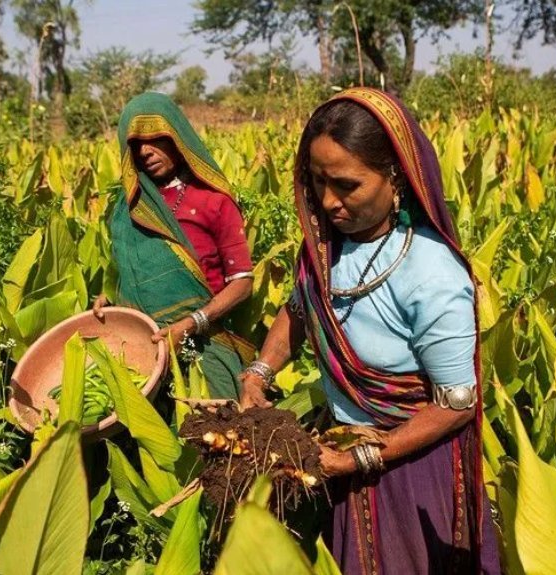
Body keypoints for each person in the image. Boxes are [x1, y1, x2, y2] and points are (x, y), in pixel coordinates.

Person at [239, 88, 501, 574]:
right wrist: (259, 371)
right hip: (346, 452)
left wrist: (361, 459)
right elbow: (298, 311)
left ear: (395, 176)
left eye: (347, 185)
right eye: (317, 181)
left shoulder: (432, 273)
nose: (328, 201)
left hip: (412, 467)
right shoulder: (324, 249)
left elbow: (455, 405)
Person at [94, 92, 256, 399]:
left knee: (218, 436)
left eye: (156, 139)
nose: (145, 152)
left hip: (205, 344)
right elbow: (131, 274)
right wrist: (110, 300)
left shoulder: (213, 202)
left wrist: (192, 322)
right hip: (141, 349)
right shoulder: (128, 208)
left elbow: (243, 284)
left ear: (177, 137)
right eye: (135, 145)